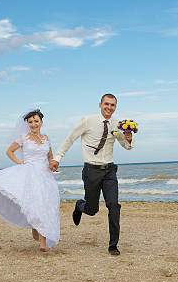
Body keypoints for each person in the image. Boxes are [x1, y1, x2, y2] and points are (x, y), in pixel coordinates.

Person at [49, 94, 134, 255]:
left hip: (109, 170)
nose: (109, 107)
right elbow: (70, 138)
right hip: (91, 171)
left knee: (114, 206)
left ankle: (113, 245)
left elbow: (126, 146)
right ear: (100, 104)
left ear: (116, 107)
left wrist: (128, 139)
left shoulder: (118, 124)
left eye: (113, 105)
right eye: (106, 104)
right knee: (92, 209)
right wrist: (57, 158)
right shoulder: (88, 121)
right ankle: (80, 206)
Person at [0, 109, 60, 252]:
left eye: (36, 121)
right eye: (30, 122)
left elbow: (50, 157)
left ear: (41, 122)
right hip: (30, 173)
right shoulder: (24, 137)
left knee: (45, 205)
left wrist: (53, 165)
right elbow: (9, 151)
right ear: (27, 124)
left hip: (45, 175)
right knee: (35, 203)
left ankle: (41, 236)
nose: (34, 124)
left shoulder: (46, 138)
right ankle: (38, 231)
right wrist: (19, 162)